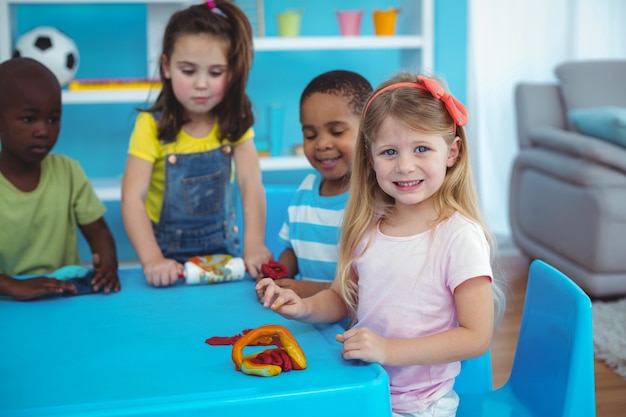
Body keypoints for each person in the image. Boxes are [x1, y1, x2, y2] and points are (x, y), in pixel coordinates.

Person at [257, 72, 506, 416]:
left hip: (420, 405)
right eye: (390, 151)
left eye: (421, 148)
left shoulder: (460, 236)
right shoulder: (367, 225)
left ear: (452, 152)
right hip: (363, 385)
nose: (404, 166)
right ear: (371, 159)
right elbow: (344, 297)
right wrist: (303, 308)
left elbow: (476, 337)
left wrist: (388, 350)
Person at [122, 0, 271, 287]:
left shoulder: (234, 120)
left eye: (215, 73)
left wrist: (253, 245)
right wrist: (152, 259)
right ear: (166, 66)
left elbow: (250, 182)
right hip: (168, 257)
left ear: (232, 71)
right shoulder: (151, 125)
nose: (201, 84)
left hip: (223, 252)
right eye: (188, 71)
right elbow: (132, 199)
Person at [0, 57, 120, 301]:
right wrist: (12, 286)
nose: (43, 130)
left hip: (64, 296)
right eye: (28, 119)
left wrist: (108, 266)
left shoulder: (68, 171)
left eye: (53, 119)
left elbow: (98, 231)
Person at [264, 70, 373, 299]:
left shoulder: (374, 199)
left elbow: (371, 284)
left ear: (369, 131)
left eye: (337, 131)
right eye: (310, 135)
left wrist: (315, 291)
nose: (322, 144)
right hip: (309, 318)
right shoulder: (305, 189)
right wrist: (277, 276)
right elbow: (294, 249)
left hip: (353, 328)